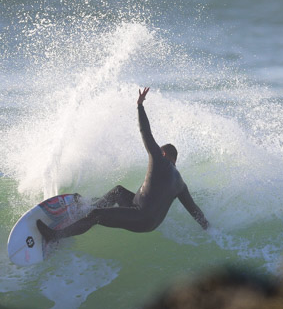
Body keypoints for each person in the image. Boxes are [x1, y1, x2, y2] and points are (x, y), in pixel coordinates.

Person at [38, 87, 208, 242]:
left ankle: (54, 236)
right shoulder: (180, 184)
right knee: (118, 192)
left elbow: (145, 132)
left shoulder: (159, 159)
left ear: (163, 154)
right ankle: (87, 207)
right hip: (148, 219)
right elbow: (194, 211)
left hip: (140, 215)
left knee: (96, 216)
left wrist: (140, 106)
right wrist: (209, 228)